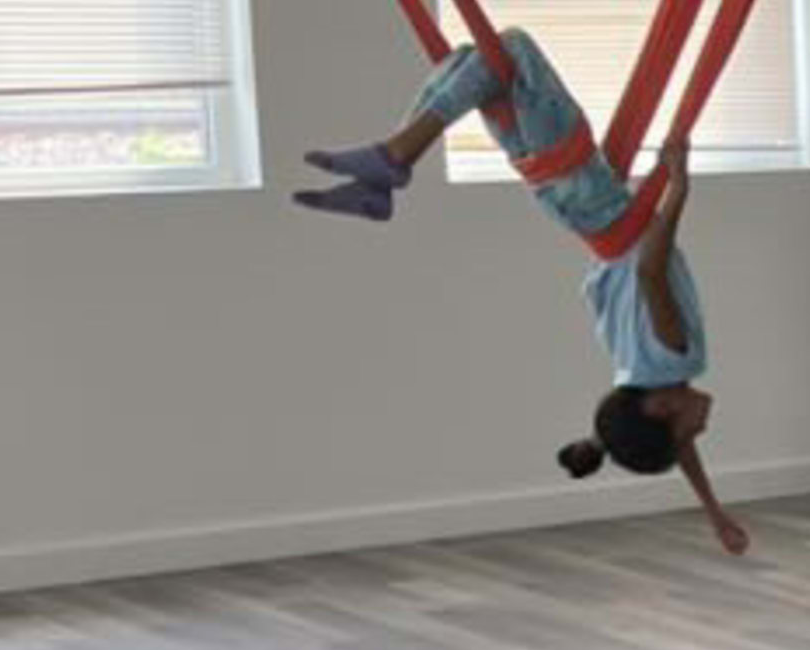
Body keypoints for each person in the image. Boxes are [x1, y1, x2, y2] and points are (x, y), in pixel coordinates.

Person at [296, 28, 749, 557]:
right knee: (473, 65)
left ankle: (394, 158)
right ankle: (378, 186)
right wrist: (714, 515)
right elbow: (677, 447)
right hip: (568, 204)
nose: (703, 429)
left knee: (508, 50)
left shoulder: (675, 356)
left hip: (587, 188)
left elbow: (651, 268)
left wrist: (679, 185)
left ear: (662, 409)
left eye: (689, 430)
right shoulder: (630, 380)